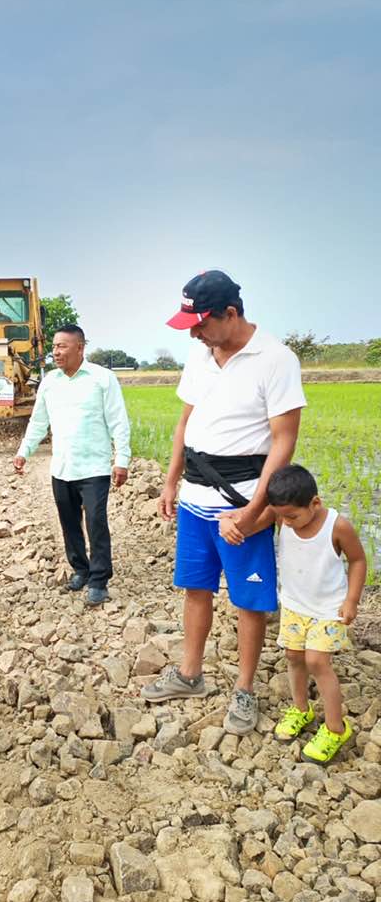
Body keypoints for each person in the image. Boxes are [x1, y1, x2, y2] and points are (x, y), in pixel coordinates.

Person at [141, 270, 306, 736]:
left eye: (200, 324)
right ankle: (190, 674)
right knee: (195, 588)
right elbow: (184, 424)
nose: (194, 334)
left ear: (230, 313)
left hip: (241, 502)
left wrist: (254, 514)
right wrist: (170, 482)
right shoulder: (201, 355)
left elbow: (283, 442)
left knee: (248, 600)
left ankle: (245, 689)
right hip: (195, 500)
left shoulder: (275, 359)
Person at [13, 324, 130, 606]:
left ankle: (99, 580)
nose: (56, 352)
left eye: (62, 346)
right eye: (54, 346)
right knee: (69, 523)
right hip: (62, 467)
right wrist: (24, 451)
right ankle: (81, 569)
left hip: (94, 468)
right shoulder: (49, 382)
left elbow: (118, 421)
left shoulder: (102, 379)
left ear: (80, 347)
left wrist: (121, 460)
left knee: (96, 523)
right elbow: (38, 422)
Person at [259, 465, 366, 763]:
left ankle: (335, 728)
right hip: (294, 604)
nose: (285, 523)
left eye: (292, 516)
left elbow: (358, 561)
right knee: (293, 656)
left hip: (328, 609)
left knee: (317, 661)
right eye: (281, 516)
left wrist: (352, 601)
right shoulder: (284, 518)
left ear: (315, 503)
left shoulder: (337, 526)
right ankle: (301, 709)